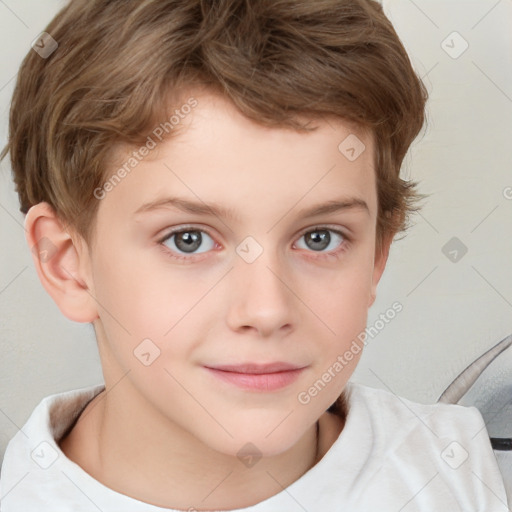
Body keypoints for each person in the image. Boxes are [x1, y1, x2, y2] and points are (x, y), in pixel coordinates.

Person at [0, 0, 508, 510]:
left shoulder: (462, 473)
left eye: (319, 238)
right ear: (67, 264)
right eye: (188, 240)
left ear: (377, 252)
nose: (267, 310)